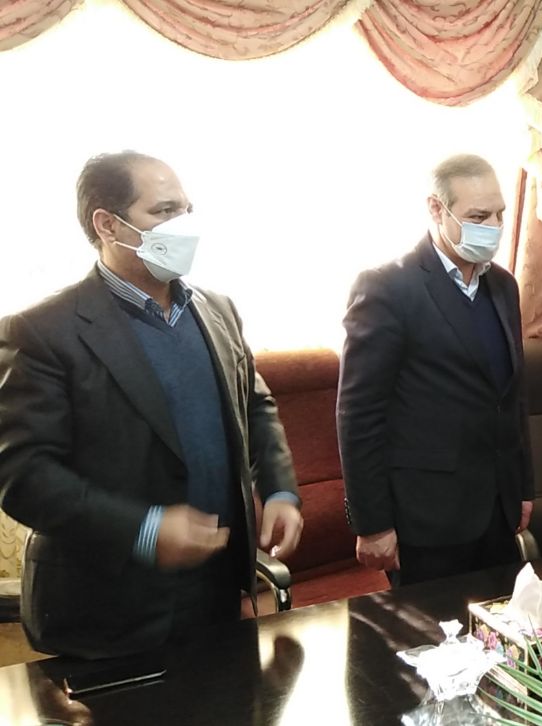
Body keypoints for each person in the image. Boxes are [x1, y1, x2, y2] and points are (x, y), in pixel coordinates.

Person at [0, 151, 302, 659]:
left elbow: (255, 404)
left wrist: (279, 490)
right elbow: (22, 476)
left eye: (186, 209)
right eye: (164, 211)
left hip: (216, 593)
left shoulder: (217, 310)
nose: (183, 224)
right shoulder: (41, 332)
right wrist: (145, 530)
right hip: (105, 608)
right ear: (107, 225)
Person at [338, 153, 533, 588]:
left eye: (500, 214)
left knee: (505, 625)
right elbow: (359, 415)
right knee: (433, 631)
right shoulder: (388, 288)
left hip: (498, 512)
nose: (494, 226)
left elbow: (512, 396)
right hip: (427, 519)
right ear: (436, 209)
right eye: (478, 216)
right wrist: (372, 524)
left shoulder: (503, 286)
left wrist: (523, 487)